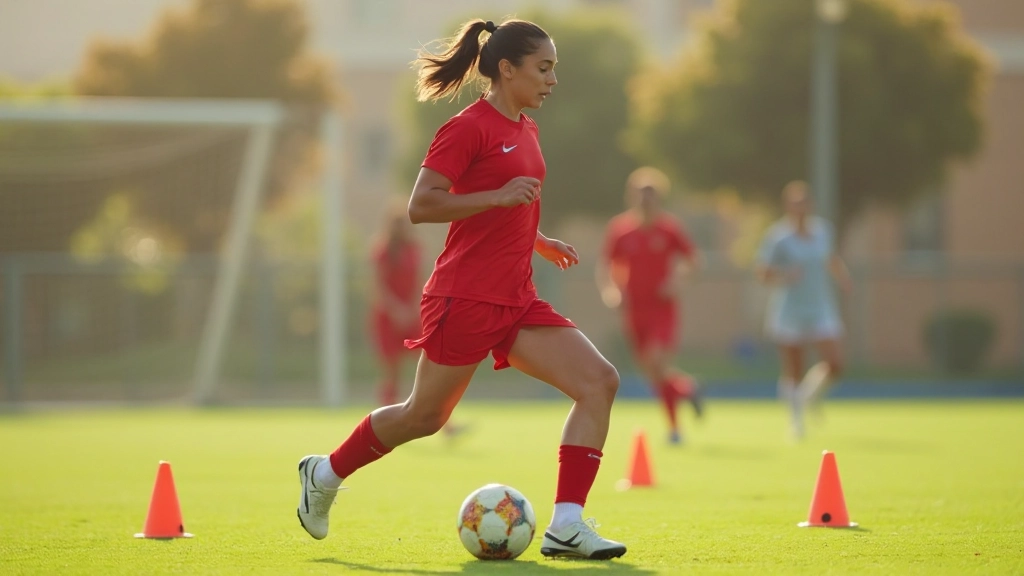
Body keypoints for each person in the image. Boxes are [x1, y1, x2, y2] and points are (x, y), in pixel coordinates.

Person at [296, 18, 627, 560]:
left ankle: (567, 524)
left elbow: (509, 201)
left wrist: (537, 239)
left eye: (553, 70)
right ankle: (325, 472)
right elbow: (421, 205)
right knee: (424, 417)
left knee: (599, 382)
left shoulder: (527, 128)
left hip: (516, 296)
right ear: (506, 68)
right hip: (464, 298)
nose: (552, 80)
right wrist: (498, 198)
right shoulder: (466, 127)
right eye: (543, 69)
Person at [597, 167, 704, 445]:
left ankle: (674, 429)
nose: (646, 200)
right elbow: (607, 265)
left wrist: (677, 282)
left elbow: (692, 261)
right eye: (641, 194)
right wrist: (611, 290)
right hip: (634, 310)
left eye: (651, 194)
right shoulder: (621, 230)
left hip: (662, 310)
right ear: (632, 196)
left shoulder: (669, 229)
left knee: (657, 363)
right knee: (654, 375)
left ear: (659, 198)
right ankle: (686, 389)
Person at [755, 181, 851, 439]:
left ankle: (810, 395)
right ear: (787, 206)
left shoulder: (823, 231)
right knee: (794, 367)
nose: (800, 208)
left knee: (836, 363)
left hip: (820, 306)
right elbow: (763, 273)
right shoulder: (778, 237)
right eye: (795, 204)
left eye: (804, 203)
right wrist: (785, 275)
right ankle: (795, 421)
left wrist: (842, 276)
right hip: (790, 309)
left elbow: (830, 258)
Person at [369, 199, 423, 408]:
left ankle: (445, 422)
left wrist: (414, 308)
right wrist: (396, 310)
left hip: (411, 316)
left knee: (427, 364)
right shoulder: (382, 251)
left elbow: (419, 281)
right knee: (392, 372)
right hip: (388, 318)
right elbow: (377, 288)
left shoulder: (413, 249)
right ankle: (386, 417)